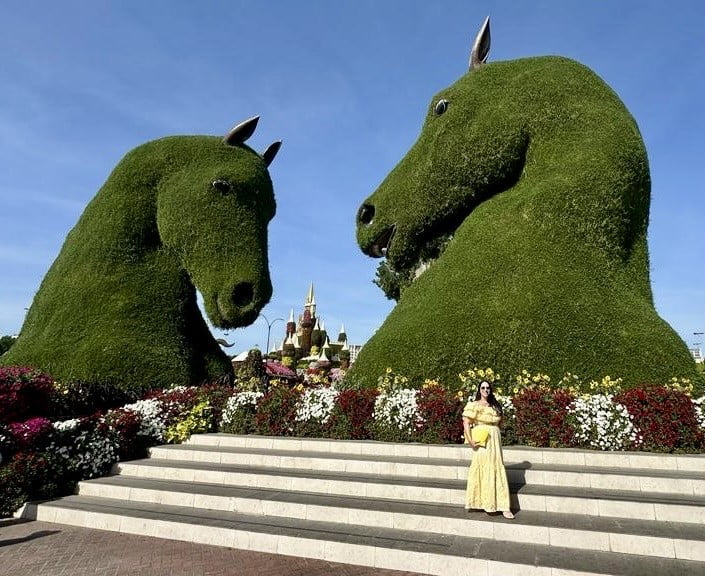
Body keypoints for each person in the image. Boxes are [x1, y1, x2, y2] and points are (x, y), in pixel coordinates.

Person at [462, 380, 514, 519]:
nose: (486, 390)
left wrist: (494, 431)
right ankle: (483, 502)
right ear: (479, 390)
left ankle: (503, 506)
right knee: (484, 468)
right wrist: (471, 441)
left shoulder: (495, 406)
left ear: (491, 390)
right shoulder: (474, 405)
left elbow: (500, 422)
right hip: (481, 441)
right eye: (483, 387)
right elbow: (466, 423)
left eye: (488, 388)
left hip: (495, 441)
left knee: (496, 468)